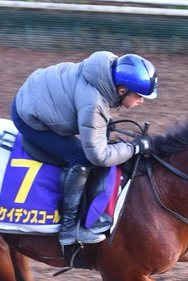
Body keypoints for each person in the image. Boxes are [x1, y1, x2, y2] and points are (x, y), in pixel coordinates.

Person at [11, 51, 157, 246]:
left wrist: (105, 122)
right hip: (28, 118)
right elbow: (99, 156)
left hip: (37, 94)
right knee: (81, 159)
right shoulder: (94, 103)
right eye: (139, 96)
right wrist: (134, 147)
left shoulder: (104, 71)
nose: (141, 101)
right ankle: (69, 229)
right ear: (122, 90)